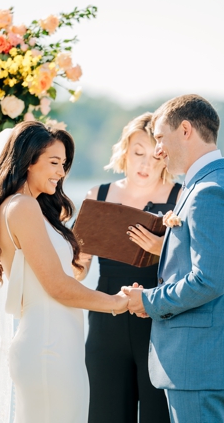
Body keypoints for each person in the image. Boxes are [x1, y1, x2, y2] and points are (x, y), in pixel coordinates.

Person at [0, 121, 129, 422]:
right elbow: (57, 286)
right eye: (54, 163)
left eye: (63, 165)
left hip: (58, 344)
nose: (61, 173)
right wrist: (118, 303)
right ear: (28, 161)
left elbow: (67, 276)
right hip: (48, 348)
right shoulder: (22, 207)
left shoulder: (32, 210)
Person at [122, 95, 224, 422]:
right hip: (199, 358)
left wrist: (148, 301)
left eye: (160, 138)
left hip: (198, 360)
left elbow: (208, 280)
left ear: (185, 130)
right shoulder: (210, 184)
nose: (157, 151)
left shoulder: (210, 191)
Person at [79, 113, 178, 423]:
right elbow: (78, 269)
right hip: (107, 316)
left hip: (160, 320)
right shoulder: (99, 195)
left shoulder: (181, 197)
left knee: (158, 415)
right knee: (104, 414)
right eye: (138, 153)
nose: (145, 164)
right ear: (124, 151)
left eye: (154, 155)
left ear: (166, 157)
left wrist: (161, 249)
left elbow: (198, 268)